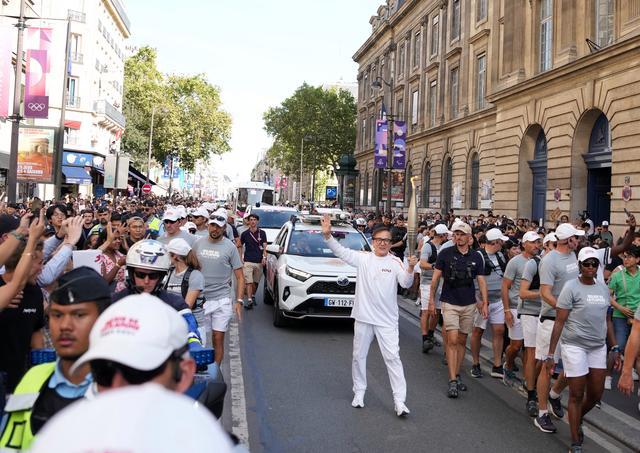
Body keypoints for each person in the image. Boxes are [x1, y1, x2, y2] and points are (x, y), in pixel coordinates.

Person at [28, 294, 234, 453]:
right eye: (104, 372)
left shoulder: (206, 443)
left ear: (184, 374)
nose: (118, 388)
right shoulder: (58, 438)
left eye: (137, 374)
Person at [0, 267, 110, 451]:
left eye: (79, 315)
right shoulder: (33, 378)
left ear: (104, 320)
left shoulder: (123, 384)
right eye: (57, 315)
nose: (65, 326)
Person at [321, 215, 417, 417]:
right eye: (379, 240)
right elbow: (341, 251)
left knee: (393, 359)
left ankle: (400, 402)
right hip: (364, 317)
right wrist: (328, 235)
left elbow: (406, 283)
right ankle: (359, 393)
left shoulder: (395, 262)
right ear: (372, 242)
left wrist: (410, 268)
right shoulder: (363, 258)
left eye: (387, 240)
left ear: (391, 244)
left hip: (387, 321)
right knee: (358, 356)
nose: (383, 243)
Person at [547, 247, 620, 453]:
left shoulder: (603, 288)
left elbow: (607, 319)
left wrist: (614, 346)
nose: (590, 267)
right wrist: (551, 354)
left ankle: (577, 419)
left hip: (597, 347)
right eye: (586, 264)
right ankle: (575, 442)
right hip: (574, 346)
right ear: (579, 266)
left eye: (594, 264)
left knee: (596, 395)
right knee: (576, 394)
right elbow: (559, 322)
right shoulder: (570, 288)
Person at [534, 223, 584, 433]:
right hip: (552, 320)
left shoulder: (573, 256)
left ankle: (554, 395)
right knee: (548, 366)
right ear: (567, 240)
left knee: (574, 367)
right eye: (576, 238)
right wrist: (562, 308)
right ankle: (542, 413)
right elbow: (545, 292)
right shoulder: (549, 261)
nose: (579, 240)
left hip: (571, 320)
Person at [429, 222, 488, 398]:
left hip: (469, 303)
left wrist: (484, 302)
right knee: (452, 339)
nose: (458, 237)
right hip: (449, 302)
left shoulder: (477, 257)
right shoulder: (445, 254)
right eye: (456, 234)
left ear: (470, 238)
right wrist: (432, 301)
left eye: (462, 234)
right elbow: (436, 279)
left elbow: (481, 281)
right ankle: (452, 380)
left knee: (462, 340)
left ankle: (457, 374)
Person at [112, 240, 202, 350]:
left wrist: (195, 347)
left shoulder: (176, 305)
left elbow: (190, 333)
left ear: (162, 277)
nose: (146, 281)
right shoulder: (115, 302)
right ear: (130, 274)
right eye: (140, 274)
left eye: (153, 275)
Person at [192, 214, 244, 371]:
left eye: (218, 226)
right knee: (199, 340)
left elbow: (240, 277)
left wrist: (239, 301)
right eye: (212, 225)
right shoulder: (198, 244)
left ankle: (215, 373)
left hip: (221, 300)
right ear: (208, 225)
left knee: (217, 338)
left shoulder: (230, 247)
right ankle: (198, 372)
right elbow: (191, 268)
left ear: (224, 228)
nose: (214, 229)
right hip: (200, 300)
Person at [0, 217, 46, 392]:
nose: (42, 268)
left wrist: (38, 376)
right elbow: (16, 285)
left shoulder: (35, 293)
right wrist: (31, 240)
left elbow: (37, 338)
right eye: (39, 263)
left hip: (20, 384)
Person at [502, 231, 542, 388]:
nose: (536, 245)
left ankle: (528, 381)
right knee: (516, 345)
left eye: (538, 242)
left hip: (534, 310)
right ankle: (508, 364)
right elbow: (505, 286)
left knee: (530, 348)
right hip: (514, 307)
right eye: (532, 242)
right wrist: (506, 310)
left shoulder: (541, 262)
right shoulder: (515, 262)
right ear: (524, 244)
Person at [470, 228, 509, 380]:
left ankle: (497, 364)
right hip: (482, 300)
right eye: (501, 242)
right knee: (478, 331)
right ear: (495, 242)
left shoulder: (500, 255)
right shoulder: (477, 256)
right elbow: (472, 279)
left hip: (498, 299)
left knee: (499, 330)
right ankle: (475, 363)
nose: (502, 244)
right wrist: (478, 300)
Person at [608, 245, 640, 388]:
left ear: (637, 259)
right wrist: (620, 307)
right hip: (620, 315)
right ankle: (607, 377)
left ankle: (633, 372)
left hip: (637, 316)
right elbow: (607, 296)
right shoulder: (617, 275)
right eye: (625, 257)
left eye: (630, 257)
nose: (626, 260)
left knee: (637, 349)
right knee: (618, 346)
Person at [166, 238, 206, 345]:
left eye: (168, 254)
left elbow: (186, 306)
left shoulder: (195, 276)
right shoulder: (169, 272)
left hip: (193, 328)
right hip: (173, 325)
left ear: (175, 256)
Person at [419, 224, 450, 352]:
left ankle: (431, 333)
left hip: (441, 283)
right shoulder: (428, 246)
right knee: (426, 311)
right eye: (446, 235)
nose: (447, 237)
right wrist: (435, 267)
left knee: (437, 311)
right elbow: (422, 263)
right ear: (442, 235)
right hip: (427, 282)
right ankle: (425, 337)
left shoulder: (444, 247)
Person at [240, 213, 267, 309]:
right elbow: (239, 245)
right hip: (248, 261)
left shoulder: (262, 233)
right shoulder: (245, 234)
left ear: (257, 221)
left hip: (259, 261)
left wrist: (264, 257)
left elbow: (265, 247)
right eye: (251, 220)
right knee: (249, 282)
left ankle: (252, 296)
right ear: (248, 221)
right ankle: (250, 300)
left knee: (255, 282)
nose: (252, 221)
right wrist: (240, 257)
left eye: (254, 220)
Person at [96, 224, 127, 293]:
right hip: (110, 296)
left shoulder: (119, 254)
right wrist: (118, 265)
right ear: (105, 241)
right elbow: (104, 281)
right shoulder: (99, 256)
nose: (118, 241)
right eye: (114, 239)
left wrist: (126, 248)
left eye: (119, 239)